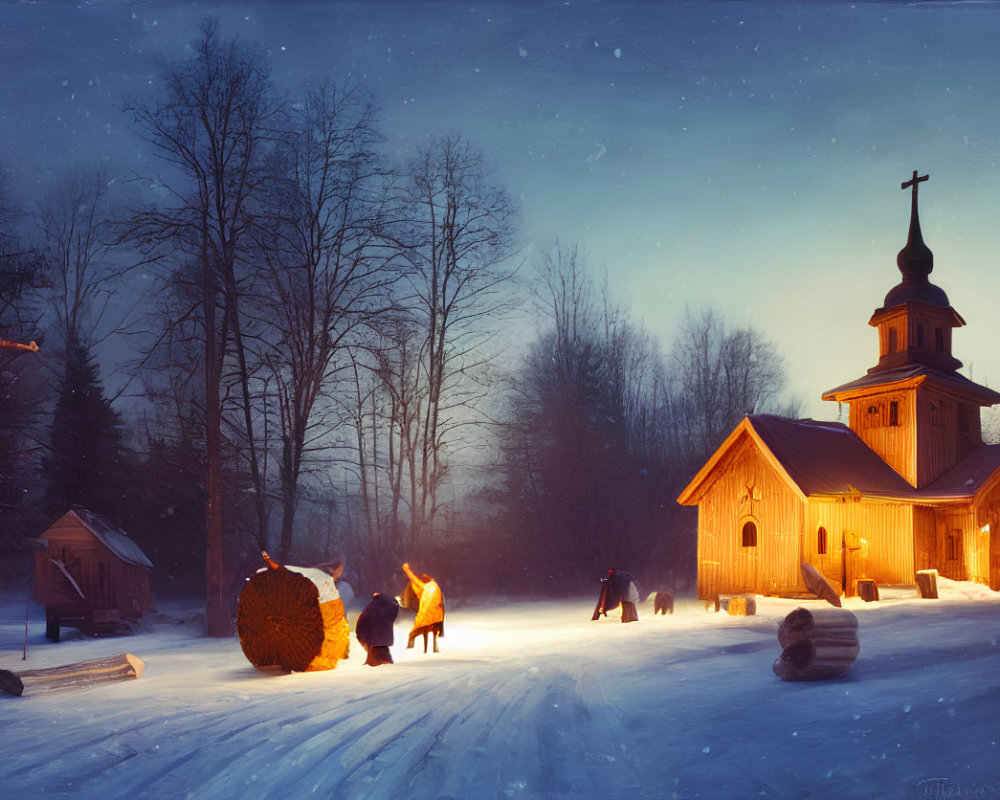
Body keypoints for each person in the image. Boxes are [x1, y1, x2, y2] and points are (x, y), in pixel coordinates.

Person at [401, 562, 445, 653]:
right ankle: (435, 643)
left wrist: (406, 569)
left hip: (426, 619)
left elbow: (414, 579)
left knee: (417, 627)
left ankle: (411, 640)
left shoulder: (424, 587)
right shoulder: (436, 587)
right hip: (437, 618)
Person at [355, 592, 400, 666]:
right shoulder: (389, 610)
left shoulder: (368, 610)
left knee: (372, 667)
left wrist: (363, 642)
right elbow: (396, 605)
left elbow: (360, 627)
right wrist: (384, 595)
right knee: (387, 666)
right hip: (385, 646)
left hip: (373, 647)